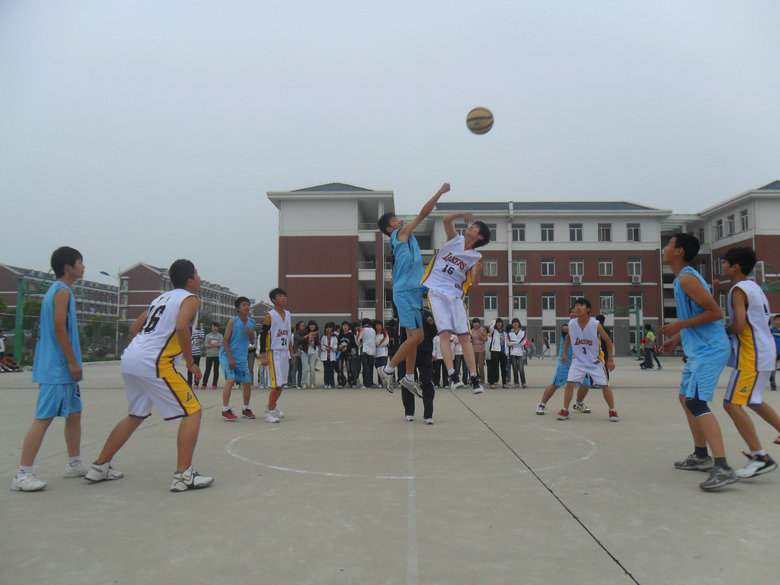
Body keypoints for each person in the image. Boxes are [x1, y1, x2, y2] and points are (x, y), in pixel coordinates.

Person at [85, 259, 213, 492]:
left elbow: (135, 329)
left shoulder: (160, 299)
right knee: (192, 411)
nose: (199, 278)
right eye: (197, 273)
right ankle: (183, 475)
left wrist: (144, 351)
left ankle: (100, 466)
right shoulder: (191, 299)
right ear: (189, 280)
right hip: (154, 362)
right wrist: (190, 363)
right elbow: (181, 327)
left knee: (136, 415)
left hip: (131, 358)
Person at [658, 233, 736, 491]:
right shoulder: (681, 279)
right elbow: (698, 314)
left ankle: (723, 467)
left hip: (710, 350)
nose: (664, 248)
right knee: (685, 398)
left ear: (679, 251)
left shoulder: (687, 279)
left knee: (696, 401)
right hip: (698, 349)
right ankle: (701, 455)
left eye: (669, 244)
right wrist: (678, 337)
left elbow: (715, 312)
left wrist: (679, 325)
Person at [13, 247, 90, 492]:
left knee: (74, 413)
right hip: (56, 369)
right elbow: (59, 328)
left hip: (62, 369)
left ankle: (74, 463)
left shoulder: (60, 290)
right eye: (80, 262)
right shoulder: (61, 292)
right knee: (44, 418)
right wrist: (72, 362)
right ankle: (22, 474)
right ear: (68, 267)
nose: (83, 266)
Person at [376, 182, 451, 396]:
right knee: (416, 338)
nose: (399, 221)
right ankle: (387, 369)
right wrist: (440, 192)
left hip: (413, 292)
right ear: (390, 228)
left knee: (414, 339)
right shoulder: (400, 234)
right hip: (404, 293)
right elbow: (423, 213)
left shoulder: (408, 239)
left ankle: (409, 377)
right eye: (394, 221)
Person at [720, 247, 779, 478]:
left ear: (735, 267)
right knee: (753, 400)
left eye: (725, 262)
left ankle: (760, 457)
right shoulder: (754, 287)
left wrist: (721, 332)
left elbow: (739, 325)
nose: (723, 266)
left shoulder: (738, 290)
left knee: (731, 403)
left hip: (752, 355)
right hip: (765, 351)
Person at [421, 210, 490, 392]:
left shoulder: (476, 257)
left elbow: (475, 284)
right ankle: (452, 375)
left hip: (455, 295)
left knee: (464, 336)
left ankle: (474, 378)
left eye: (476, 227)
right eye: (473, 224)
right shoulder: (455, 239)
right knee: (444, 334)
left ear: (480, 236)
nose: (472, 227)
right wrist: (462, 213)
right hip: (437, 290)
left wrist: (476, 274)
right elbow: (445, 220)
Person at [558, 297, 618, 422]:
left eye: (581, 305)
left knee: (605, 385)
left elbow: (608, 340)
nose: (577, 307)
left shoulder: (595, 324)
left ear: (588, 309)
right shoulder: (572, 324)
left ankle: (612, 410)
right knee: (569, 384)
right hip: (578, 361)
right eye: (576, 305)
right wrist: (564, 353)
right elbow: (568, 337)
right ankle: (565, 409)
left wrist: (610, 360)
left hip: (595, 362)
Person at [536, 306, 590, 415]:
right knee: (556, 384)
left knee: (586, 384)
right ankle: (542, 404)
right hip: (565, 362)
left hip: (580, 362)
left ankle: (578, 403)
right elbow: (565, 329)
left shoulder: (586, 327)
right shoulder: (566, 326)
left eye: (575, 312)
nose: (573, 314)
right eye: (571, 312)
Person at [259, 288, 293, 423]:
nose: (283, 298)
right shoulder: (270, 315)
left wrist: (291, 351)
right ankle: (270, 412)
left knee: (283, 383)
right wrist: (263, 355)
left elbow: (288, 334)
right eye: (280, 296)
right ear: (274, 300)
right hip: (274, 352)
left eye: (284, 296)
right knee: (276, 385)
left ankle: (271, 406)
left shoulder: (288, 314)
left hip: (284, 352)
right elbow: (263, 336)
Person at [219, 297, 256, 421]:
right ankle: (225, 409)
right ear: (237, 308)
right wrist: (230, 359)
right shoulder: (233, 322)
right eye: (244, 305)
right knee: (231, 380)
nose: (247, 307)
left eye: (248, 305)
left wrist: (251, 336)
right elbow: (225, 340)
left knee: (247, 382)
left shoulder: (252, 322)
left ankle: (246, 409)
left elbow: (251, 340)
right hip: (227, 356)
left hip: (241, 358)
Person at [398, 308, 437, 423]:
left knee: (427, 382)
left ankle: (428, 414)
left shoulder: (426, 313)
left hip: (425, 353)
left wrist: (432, 324)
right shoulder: (404, 312)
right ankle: (409, 412)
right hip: (408, 353)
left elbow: (434, 334)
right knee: (408, 381)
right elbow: (400, 336)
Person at [486, 318, 509, 388]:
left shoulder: (505, 332)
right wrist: (494, 320)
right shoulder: (493, 331)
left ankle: (504, 383)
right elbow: (490, 326)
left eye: (500, 323)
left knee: (504, 368)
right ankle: (492, 383)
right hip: (495, 351)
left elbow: (506, 342)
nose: (499, 324)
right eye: (498, 323)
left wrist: (507, 352)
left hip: (503, 351)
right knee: (494, 367)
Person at [508, 318, 528, 388]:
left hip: (521, 352)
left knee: (521, 368)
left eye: (516, 322)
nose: (515, 324)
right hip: (513, 352)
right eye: (514, 323)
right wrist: (517, 343)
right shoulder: (509, 332)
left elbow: (523, 342)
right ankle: (516, 383)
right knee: (515, 368)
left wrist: (514, 343)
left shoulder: (523, 332)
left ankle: (524, 383)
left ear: (519, 323)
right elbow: (508, 343)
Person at [201, 323, 222, 389]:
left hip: (217, 355)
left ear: (217, 328)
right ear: (211, 327)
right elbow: (206, 344)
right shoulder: (208, 335)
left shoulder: (220, 336)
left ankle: (214, 384)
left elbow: (221, 344)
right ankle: (204, 384)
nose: (214, 328)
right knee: (207, 370)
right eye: (213, 327)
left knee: (216, 370)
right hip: (209, 355)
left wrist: (212, 344)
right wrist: (215, 344)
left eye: (216, 327)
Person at [358, 317, 376, 388]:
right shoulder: (373, 330)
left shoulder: (362, 329)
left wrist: (360, 343)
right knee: (371, 367)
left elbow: (358, 340)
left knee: (366, 368)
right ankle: (371, 382)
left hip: (365, 350)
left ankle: (366, 383)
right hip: (372, 351)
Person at [301, 320, 319, 389]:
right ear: (308, 326)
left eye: (313, 325)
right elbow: (301, 340)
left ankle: (312, 383)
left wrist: (314, 342)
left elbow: (318, 343)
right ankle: (304, 383)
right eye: (311, 325)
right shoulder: (305, 332)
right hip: (305, 352)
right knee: (305, 369)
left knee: (312, 369)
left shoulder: (316, 334)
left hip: (312, 352)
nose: (312, 326)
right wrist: (308, 339)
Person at [337, 321, 356, 388]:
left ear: (348, 327)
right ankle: (341, 382)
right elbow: (337, 344)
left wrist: (347, 348)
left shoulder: (351, 335)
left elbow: (353, 344)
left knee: (349, 367)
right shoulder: (340, 335)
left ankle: (351, 382)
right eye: (344, 325)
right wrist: (339, 347)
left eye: (346, 325)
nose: (345, 327)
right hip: (340, 352)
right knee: (339, 367)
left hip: (348, 352)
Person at [319, 322, 338, 388]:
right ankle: (326, 383)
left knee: (331, 370)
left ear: (332, 328)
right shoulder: (323, 337)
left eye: (330, 327)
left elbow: (336, 344)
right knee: (326, 370)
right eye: (327, 327)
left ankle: (331, 383)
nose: (328, 329)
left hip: (332, 355)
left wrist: (333, 348)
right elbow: (321, 345)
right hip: (325, 355)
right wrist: (325, 348)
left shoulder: (334, 337)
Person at [187, 322, 204, 388]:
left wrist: (202, 328)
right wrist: (195, 341)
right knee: (189, 368)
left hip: (197, 353)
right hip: (190, 353)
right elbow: (188, 340)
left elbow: (202, 336)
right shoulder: (189, 331)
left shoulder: (198, 331)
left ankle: (196, 383)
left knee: (197, 368)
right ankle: (189, 382)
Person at [770, 314, 780, 391]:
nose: (778, 321)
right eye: (777, 320)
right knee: (773, 370)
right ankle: (773, 384)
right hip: (774, 353)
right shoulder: (771, 331)